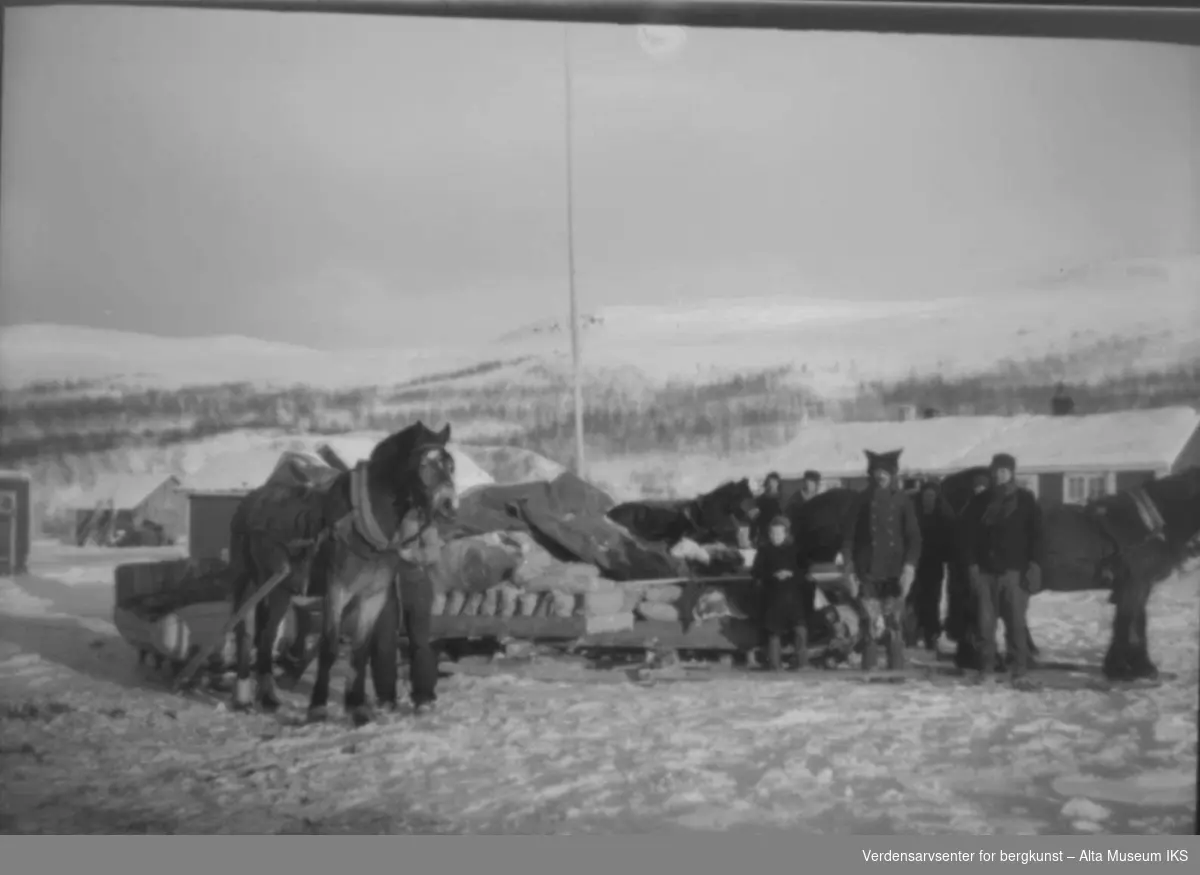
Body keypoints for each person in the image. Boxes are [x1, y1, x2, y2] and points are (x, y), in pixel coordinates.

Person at [960, 453, 1045, 690]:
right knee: (985, 624)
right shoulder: (980, 501)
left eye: (1005, 471)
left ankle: (1019, 670)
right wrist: (972, 565)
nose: (1000, 475)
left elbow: (1037, 535)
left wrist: (1035, 565)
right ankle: (986, 669)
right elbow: (966, 536)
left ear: (1012, 473)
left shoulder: (1026, 499)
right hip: (985, 573)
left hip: (1014, 572)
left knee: (1016, 623)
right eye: (997, 471)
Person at [842, 450, 922, 671]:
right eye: (877, 471)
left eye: (885, 472)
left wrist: (910, 566)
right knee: (869, 623)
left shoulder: (903, 500)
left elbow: (914, 538)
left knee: (894, 623)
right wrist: (848, 568)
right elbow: (848, 537)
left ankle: (896, 670)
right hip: (867, 571)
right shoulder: (861, 500)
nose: (881, 476)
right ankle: (868, 669)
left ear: (893, 474)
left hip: (895, 571)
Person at [751, 515, 811, 671]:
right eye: (773, 533)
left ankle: (802, 663)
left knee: (800, 630)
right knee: (774, 633)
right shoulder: (764, 551)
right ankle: (775, 664)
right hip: (773, 597)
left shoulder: (795, 550)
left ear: (786, 534)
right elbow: (756, 572)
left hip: (793, 597)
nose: (775, 536)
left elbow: (804, 570)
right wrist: (773, 575)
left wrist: (791, 574)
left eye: (779, 533)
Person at [909, 478, 954, 651]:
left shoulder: (944, 512)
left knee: (932, 599)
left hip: (934, 563)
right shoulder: (914, 513)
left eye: (932, 495)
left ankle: (931, 634)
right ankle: (912, 634)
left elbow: (950, 537)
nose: (928, 498)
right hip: (915, 563)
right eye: (926, 495)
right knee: (913, 599)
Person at [750, 471, 785, 547]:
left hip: (779, 530)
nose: (772, 484)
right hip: (764, 531)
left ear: (778, 483)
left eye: (774, 482)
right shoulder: (761, 499)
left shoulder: (782, 499)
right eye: (770, 482)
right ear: (767, 483)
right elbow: (754, 515)